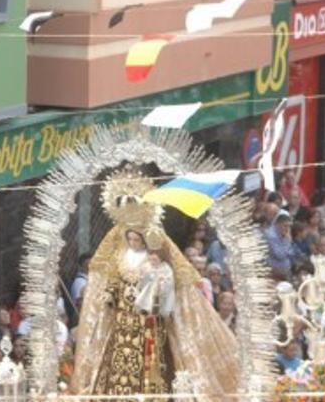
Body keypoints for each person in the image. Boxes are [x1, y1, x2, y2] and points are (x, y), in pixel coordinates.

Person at [70, 170, 239, 398]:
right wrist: (110, 294)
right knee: (117, 364)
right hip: (122, 322)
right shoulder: (119, 253)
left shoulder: (156, 261)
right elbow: (112, 279)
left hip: (149, 321)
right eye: (130, 238)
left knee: (150, 365)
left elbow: (169, 281)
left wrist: (158, 278)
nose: (133, 242)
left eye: (137, 239)